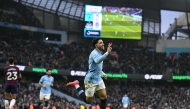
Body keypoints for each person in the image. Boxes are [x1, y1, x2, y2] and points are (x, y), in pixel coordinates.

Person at [66, 38, 112, 109]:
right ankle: (76, 85)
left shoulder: (100, 53)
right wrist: (107, 53)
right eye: (100, 43)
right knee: (88, 101)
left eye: (103, 42)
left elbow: (97, 66)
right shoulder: (94, 53)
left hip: (98, 78)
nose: (103, 44)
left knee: (104, 97)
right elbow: (97, 61)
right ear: (96, 45)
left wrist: (102, 73)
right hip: (90, 80)